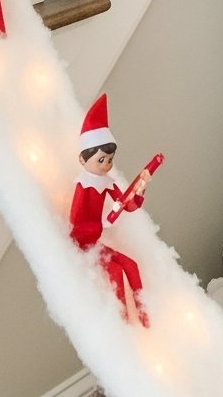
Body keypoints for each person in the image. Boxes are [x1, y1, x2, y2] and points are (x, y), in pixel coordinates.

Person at [69, 95, 151, 326]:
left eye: (109, 160)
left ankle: (144, 315)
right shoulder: (83, 185)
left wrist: (139, 193)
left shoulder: (107, 182)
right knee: (115, 272)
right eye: (102, 159)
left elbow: (127, 204)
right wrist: (102, 222)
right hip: (84, 241)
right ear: (82, 159)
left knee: (131, 265)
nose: (106, 165)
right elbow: (76, 219)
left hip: (95, 240)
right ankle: (126, 321)